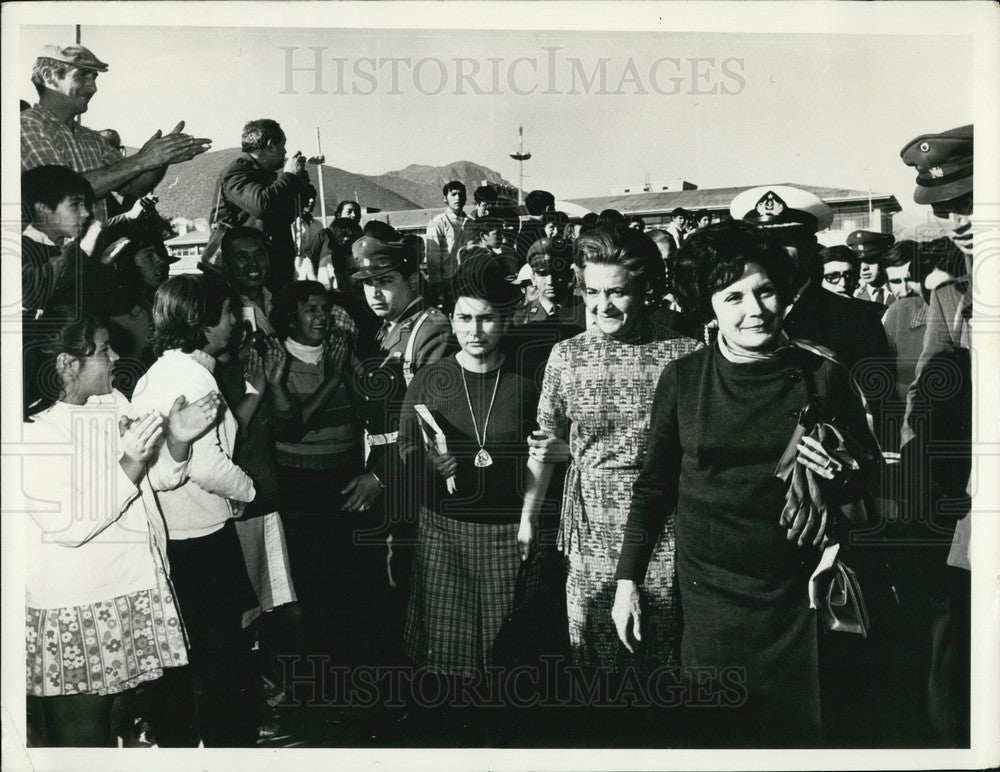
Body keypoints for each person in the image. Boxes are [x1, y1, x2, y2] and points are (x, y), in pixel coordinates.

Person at [613, 221, 881, 746]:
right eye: (732, 296)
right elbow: (653, 489)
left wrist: (842, 473)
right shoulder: (683, 379)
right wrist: (628, 581)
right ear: (707, 304)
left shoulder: (821, 374)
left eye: (765, 291)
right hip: (712, 602)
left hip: (796, 601)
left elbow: (866, 482)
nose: (754, 309)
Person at [21, 310, 221, 747]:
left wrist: (179, 440)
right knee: (81, 741)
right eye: (103, 349)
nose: (115, 356)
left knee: (116, 728)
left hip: (129, 591)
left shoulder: (111, 402)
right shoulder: (32, 430)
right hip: (77, 607)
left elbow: (157, 480)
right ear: (67, 365)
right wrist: (130, 460)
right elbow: (70, 524)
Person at [519, 224, 701, 676]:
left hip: (663, 530)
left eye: (617, 292)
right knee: (595, 658)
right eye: (592, 292)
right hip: (588, 527)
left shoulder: (685, 355)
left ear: (645, 289)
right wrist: (527, 517)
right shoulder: (565, 357)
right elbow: (544, 445)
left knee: (661, 653)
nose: (603, 306)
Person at [130, 273, 260, 746]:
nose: (236, 322)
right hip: (199, 541)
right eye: (228, 313)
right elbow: (207, 466)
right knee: (222, 664)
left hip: (182, 537)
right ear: (202, 323)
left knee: (191, 662)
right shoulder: (191, 376)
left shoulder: (165, 369)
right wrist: (251, 493)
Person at [399, 253, 538, 678]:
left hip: (507, 531)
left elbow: (543, 455)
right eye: (464, 319)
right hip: (443, 531)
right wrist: (427, 460)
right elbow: (406, 445)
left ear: (506, 321)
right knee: (446, 660)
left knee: (505, 655)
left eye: (486, 319)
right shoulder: (431, 377)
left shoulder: (527, 381)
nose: (473, 331)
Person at [351, 232, 452, 661]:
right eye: (367, 282)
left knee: (412, 585)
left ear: (413, 278)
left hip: (411, 475)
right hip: (383, 468)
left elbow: (426, 421)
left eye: (386, 280)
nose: (374, 291)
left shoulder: (431, 329)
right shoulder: (386, 330)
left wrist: (380, 475)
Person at [270, 280, 383, 663]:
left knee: (347, 576)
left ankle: (350, 660)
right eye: (310, 310)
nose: (321, 318)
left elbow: (365, 409)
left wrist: (345, 365)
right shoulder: (278, 359)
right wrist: (332, 377)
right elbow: (291, 427)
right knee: (312, 578)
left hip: (344, 477)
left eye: (324, 310)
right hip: (301, 484)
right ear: (290, 317)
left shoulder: (340, 351)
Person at [21, 43, 210, 223]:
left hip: (88, 255)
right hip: (47, 256)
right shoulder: (27, 126)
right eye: (83, 75)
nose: (93, 87)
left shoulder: (91, 138)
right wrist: (142, 160)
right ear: (49, 76)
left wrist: (162, 157)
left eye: (94, 77)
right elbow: (60, 192)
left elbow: (132, 188)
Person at [211, 119, 316, 292]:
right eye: (283, 146)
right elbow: (261, 206)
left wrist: (301, 183)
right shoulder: (236, 172)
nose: (285, 152)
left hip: (269, 269)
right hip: (244, 270)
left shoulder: (267, 177)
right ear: (270, 145)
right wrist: (289, 176)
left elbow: (285, 215)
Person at [424, 181, 469, 303]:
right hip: (448, 283)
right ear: (445, 198)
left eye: (461, 194)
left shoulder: (471, 222)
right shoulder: (438, 222)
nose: (458, 198)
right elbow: (433, 258)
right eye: (453, 194)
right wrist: (437, 286)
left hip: (471, 281)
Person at [846, 230, 896, 307]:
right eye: (858, 262)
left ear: (883, 259)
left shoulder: (900, 290)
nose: (864, 268)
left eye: (870, 260)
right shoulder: (855, 295)